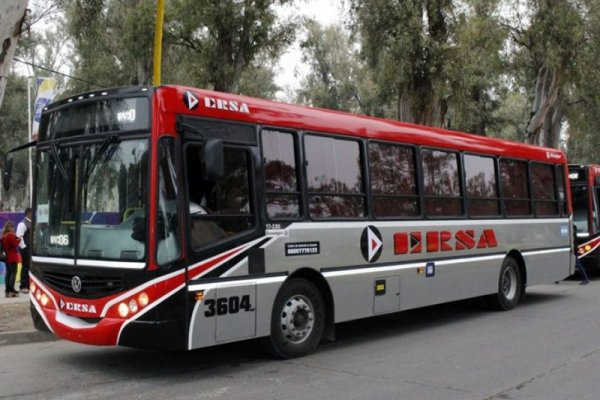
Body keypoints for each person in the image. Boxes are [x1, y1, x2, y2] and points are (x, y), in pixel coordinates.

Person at [1, 220, 21, 297]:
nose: (14, 229)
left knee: (8, 274)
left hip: (6, 257)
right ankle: (12, 289)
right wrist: (18, 238)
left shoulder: (4, 235)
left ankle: (7, 290)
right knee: (13, 273)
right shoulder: (10, 235)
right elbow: (16, 244)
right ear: (10, 227)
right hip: (12, 257)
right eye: (13, 227)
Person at [16, 208, 32, 293]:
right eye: (32, 213)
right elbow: (18, 237)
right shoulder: (22, 224)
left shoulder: (30, 223)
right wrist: (24, 247)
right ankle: (23, 285)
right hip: (25, 248)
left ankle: (29, 284)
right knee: (25, 267)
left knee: (29, 267)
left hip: (30, 248)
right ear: (28, 213)